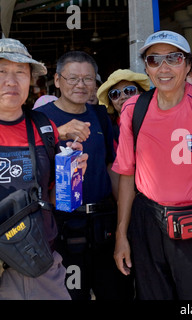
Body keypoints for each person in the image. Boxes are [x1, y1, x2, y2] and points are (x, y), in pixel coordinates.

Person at [112, 30, 192, 300]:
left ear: (189, 63)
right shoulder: (133, 109)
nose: (164, 68)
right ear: (146, 68)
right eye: (154, 60)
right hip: (146, 224)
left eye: (173, 58)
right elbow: (126, 176)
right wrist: (121, 235)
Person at [38, 51, 133, 300]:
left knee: (115, 292)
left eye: (88, 79)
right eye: (72, 78)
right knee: (71, 295)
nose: (80, 85)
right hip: (62, 225)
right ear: (57, 80)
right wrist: (57, 134)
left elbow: (111, 168)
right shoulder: (40, 120)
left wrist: (125, 223)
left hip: (104, 224)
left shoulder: (100, 116)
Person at [0, 38, 87, 300]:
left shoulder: (42, 127)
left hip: (39, 262)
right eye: (2, 71)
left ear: (30, 79)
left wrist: (71, 178)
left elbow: (50, 200)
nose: (11, 81)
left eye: (20, 72)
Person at [97, 69, 151, 152]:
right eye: (115, 94)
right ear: (111, 102)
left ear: (140, 93)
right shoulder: (108, 129)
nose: (123, 97)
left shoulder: (155, 119)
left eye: (129, 90)